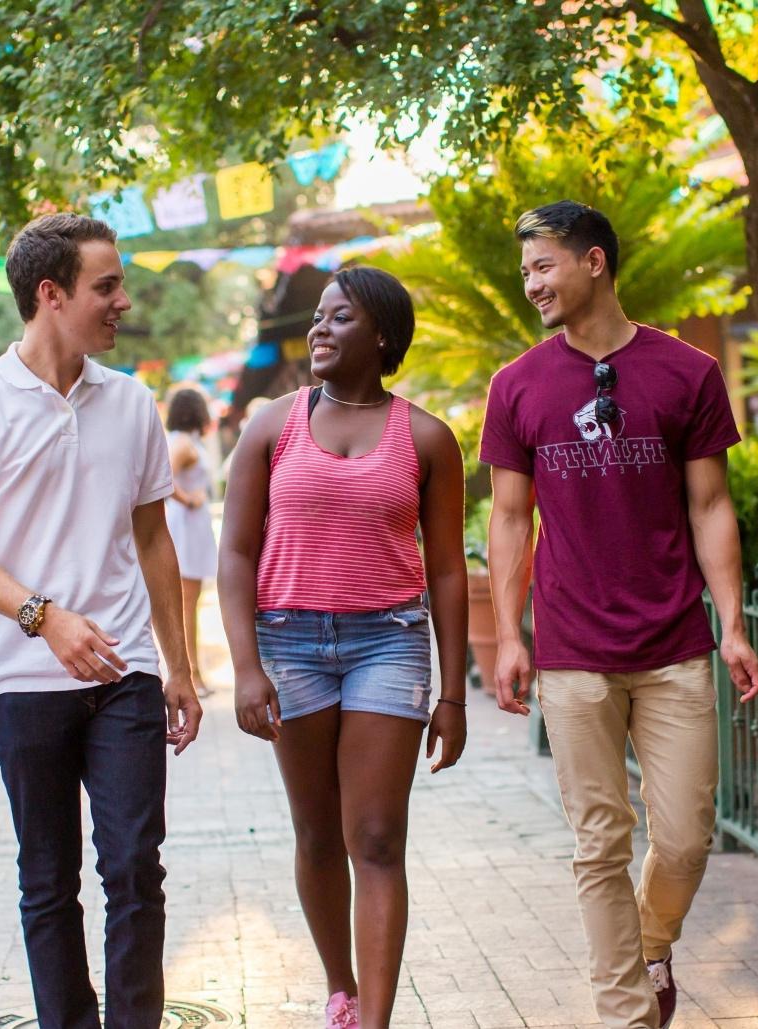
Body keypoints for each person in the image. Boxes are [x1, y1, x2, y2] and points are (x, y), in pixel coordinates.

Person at [481, 200, 758, 1029]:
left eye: (543, 265)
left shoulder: (688, 372)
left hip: (675, 640)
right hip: (572, 649)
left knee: (683, 839)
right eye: (526, 268)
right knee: (599, 842)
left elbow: (710, 505)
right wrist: (508, 633)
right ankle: (626, 1014)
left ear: (594, 262)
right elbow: (507, 517)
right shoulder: (518, 385)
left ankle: (649, 943)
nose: (530, 282)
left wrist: (734, 622)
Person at [0, 212, 203, 1029]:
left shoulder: (132, 403)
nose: (124, 299)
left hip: (125, 674)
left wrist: (180, 667)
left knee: (133, 866)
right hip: (22, 678)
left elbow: (155, 539)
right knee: (48, 880)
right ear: (52, 295)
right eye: (107, 285)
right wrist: (43, 618)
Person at [218, 266, 468, 1029]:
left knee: (377, 835)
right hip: (288, 643)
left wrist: (453, 694)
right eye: (317, 317)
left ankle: (378, 1020)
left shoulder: (426, 437)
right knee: (319, 831)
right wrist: (244, 667)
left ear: (383, 335)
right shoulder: (272, 426)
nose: (319, 328)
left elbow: (450, 568)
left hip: (387, 642)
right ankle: (342, 989)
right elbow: (234, 554)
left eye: (340, 317)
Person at [164, 386, 220, 695]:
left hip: (190, 527)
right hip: (185, 526)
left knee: (189, 605)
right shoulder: (184, 444)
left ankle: (193, 673)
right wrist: (189, 500)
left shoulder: (184, 440)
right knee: (187, 607)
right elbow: (165, 478)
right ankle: (191, 676)